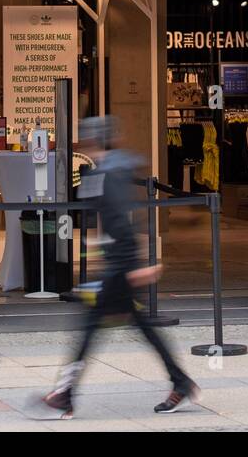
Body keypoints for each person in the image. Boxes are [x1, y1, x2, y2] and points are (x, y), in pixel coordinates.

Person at [41, 116, 198, 418]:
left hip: (120, 268)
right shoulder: (106, 170)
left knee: (91, 328)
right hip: (118, 264)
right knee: (139, 327)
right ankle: (181, 383)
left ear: (93, 142)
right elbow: (116, 219)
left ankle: (65, 394)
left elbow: (121, 222)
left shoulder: (108, 174)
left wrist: (133, 265)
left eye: (86, 138)